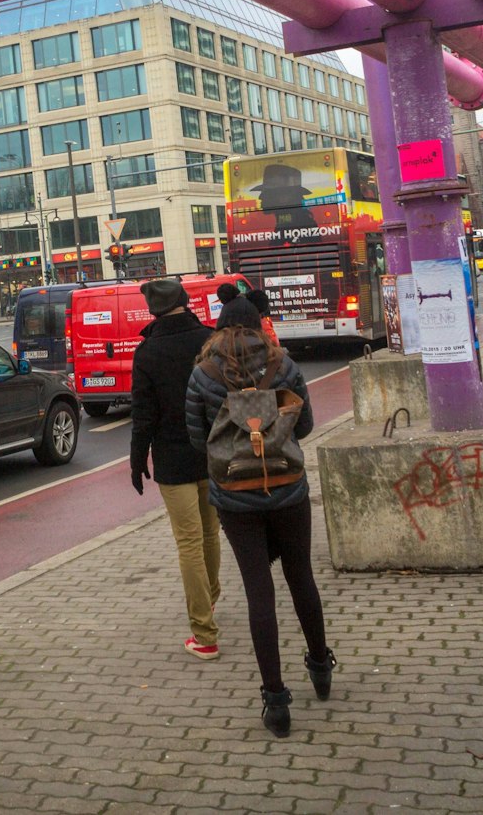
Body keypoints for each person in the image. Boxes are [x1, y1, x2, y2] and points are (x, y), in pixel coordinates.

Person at [186, 310, 331, 738]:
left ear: (219, 329)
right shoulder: (282, 364)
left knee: (257, 589)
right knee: (300, 575)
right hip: (288, 488)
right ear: (257, 327)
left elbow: (198, 438)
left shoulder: (203, 373)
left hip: (234, 497)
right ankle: (321, 666)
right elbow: (303, 423)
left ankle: (275, 699)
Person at [127, 277, 221, 660]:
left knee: (188, 542)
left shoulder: (147, 352)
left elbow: (143, 415)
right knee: (210, 532)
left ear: (154, 309)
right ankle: (209, 598)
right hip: (213, 453)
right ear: (184, 301)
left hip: (171, 456)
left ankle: (204, 633)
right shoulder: (209, 341)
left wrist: (137, 461)